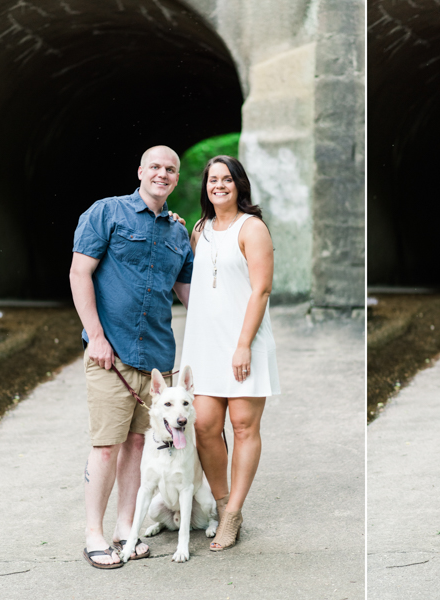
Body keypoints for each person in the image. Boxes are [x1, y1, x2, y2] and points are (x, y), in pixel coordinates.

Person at [70, 146, 193, 568]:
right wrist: (97, 337)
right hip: (112, 354)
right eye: (155, 167)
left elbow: (190, 296)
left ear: (176, 179)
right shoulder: (107, 213)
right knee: (106, 445)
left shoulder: (178, 234)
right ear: (140, 171)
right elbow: (79, 272)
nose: (162, 174)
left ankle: (127, 528)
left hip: (158, 360)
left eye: (170, 170)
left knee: (139, 444)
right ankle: (94, 535)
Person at [179, 155, 280, 551]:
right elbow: (194, 284)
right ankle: (222, 503)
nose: (218, 185)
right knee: (203, 425)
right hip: (204, 344)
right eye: (212, 180)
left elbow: (261, 290)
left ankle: (234, 514)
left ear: (239, 184)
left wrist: (243, 345)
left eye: (226, 179)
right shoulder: (199, 230)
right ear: (205, 187)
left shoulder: (252, 229)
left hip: (245, 342)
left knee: (242, 426)